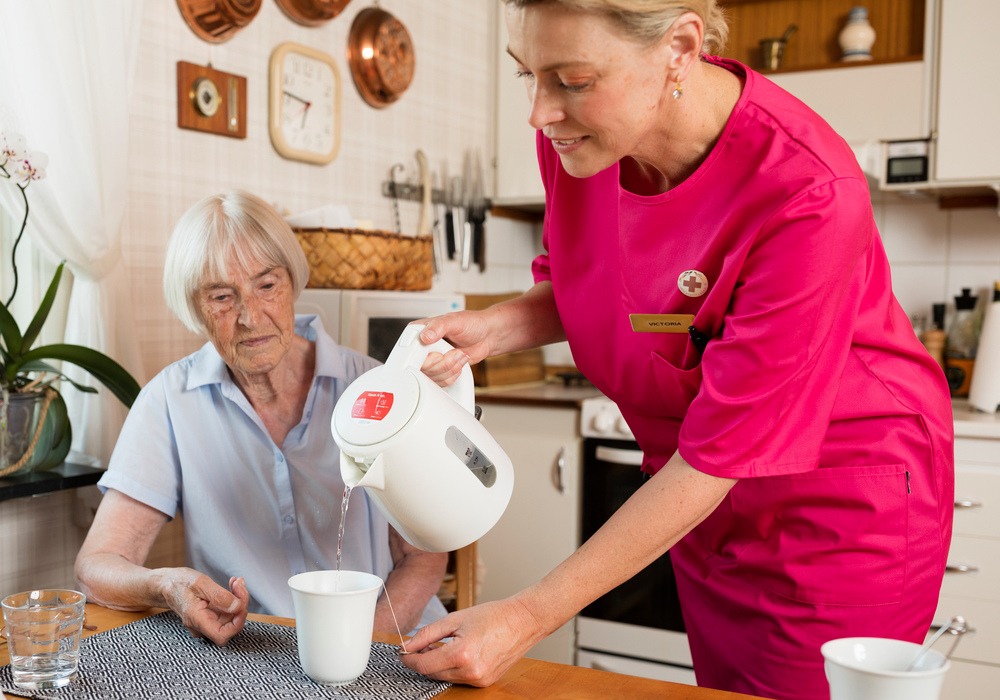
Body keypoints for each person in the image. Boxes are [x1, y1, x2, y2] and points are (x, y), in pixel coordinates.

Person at [400, 2, 955, 699]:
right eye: (527, 75)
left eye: (572, 79)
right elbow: (594, 282)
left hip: (836, 510)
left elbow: (720, 452)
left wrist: (525, 615)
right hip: (697, 500)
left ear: (680, 48)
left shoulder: (809, 191)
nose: (540, 113)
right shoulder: (582, 139)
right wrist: (500, 326)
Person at [75, 190, 448, 646]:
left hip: (392, 638)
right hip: (257, 657)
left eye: (267, 286)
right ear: (195, 309)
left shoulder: (372, 387)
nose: (251, 317)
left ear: (292, 282)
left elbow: (424, 555)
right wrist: (167, 585)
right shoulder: (169, 402)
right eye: (221, 297)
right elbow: (98, 565)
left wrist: (356, 645)